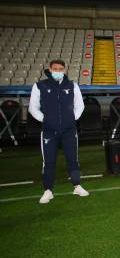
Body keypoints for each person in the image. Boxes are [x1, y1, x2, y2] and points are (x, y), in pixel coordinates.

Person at [28, 59, 89, 204]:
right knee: (48, 162)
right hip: (49, 131)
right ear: (49, 69)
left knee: (73, 159)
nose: (58, 71)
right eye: (55, 68)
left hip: (69, 130)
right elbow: (32, 108)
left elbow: (80, 106)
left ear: (64, 70)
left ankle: (77, 186)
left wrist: (71, 118)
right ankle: (48, 190)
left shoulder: (72, 85)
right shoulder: (39, 86)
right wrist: (46, 120)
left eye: (61, 69)